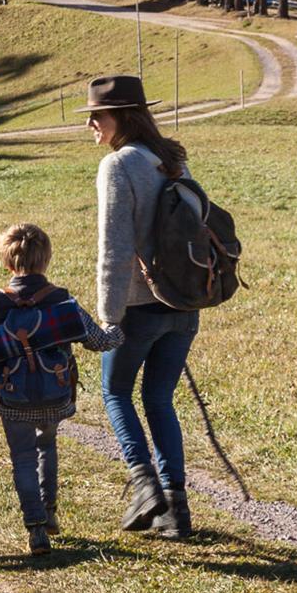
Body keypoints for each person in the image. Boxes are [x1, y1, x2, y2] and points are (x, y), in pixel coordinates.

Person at [85, 73, 199, 538]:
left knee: (114, 392)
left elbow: (114, 247)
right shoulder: (172, 160)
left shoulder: (118, 166)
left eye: (98, 116)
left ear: (124, 118)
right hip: (183, 304)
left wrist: (109, 318)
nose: (91, 124)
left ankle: (143, 484)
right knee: (158, 399)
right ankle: (176, 509)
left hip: (138, 306)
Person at [0, 224, 120, 556]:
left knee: (22, 457)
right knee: (47, 446)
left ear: (7, 263)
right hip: (56, 393)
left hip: (12, 397)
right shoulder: (61, 300)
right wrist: (117, 326)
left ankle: (36, 530)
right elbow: (99, 341)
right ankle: (49, 510)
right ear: (47, 260)